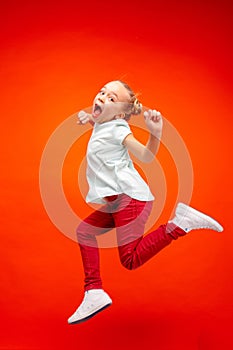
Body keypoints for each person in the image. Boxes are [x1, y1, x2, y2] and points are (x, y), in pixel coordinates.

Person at [68, 80, 223, 325]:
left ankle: (179, 224)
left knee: (130, 260)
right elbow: (99, 122)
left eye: (111, 98)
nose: (103, 97)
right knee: (85, 231)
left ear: (120, 114)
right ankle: (94, 291)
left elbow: (146, 156)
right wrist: (86, 117)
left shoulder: (119, 129)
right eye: (102, 92)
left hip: (130, 200)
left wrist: (156, 132)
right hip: (119, 200)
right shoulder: (104, 122)